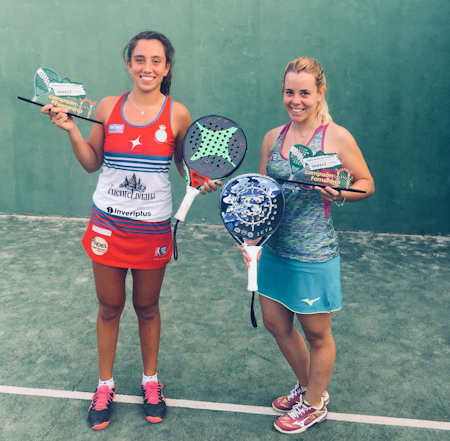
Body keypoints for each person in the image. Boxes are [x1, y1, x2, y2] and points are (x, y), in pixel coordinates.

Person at [41, 31, 218, 430]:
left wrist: (200, 179)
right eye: (140, 60)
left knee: (147, 308)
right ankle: (105, 386)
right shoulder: (107, 106)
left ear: (167, 67)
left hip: (153, 230)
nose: (147, 68)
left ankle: (150, 382)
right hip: (107, 225)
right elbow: (91, 162)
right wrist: (70, 129)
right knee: (109, 307)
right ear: (128, 64)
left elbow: (185, 167)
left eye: (156, 61)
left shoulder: (178, 114)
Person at [241, 56, 374, 435]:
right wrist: (252, 237)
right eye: (289, 92)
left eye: (304, 92)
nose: (295, 100)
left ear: (320, 94)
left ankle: (314, 404)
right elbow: (262, 195)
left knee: (317, 334)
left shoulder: (336, 137)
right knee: (275, 323)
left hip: (314, 254)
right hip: (274, 250)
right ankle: (308, 387)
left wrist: (342, 193)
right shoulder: (273, 138)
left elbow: (366, 182)